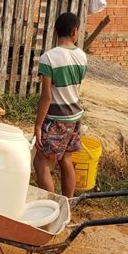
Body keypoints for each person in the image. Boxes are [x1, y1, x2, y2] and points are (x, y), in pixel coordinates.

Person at [33, 12, 88, 198]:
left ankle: (51, 209)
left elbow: (47, 97)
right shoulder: (82, 56)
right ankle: (67, 204)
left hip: (57, 119)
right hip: (75, 117)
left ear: (56, 32)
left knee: (41, 163)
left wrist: (38, 125)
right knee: (66, 158)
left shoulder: (48, 58)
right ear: (75, 31)